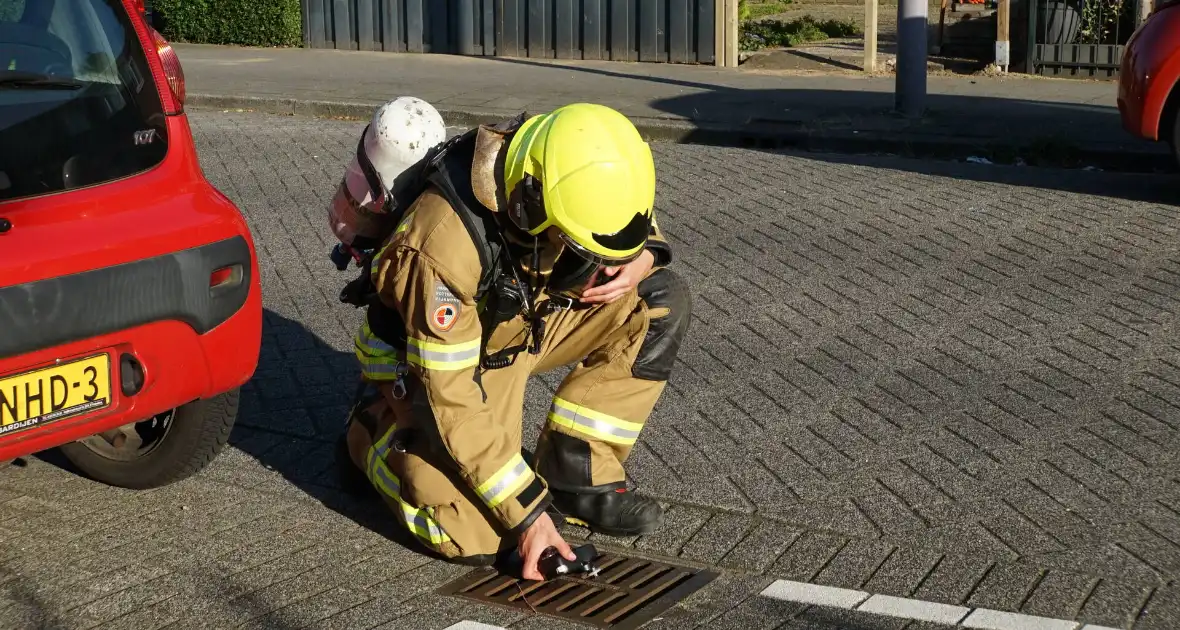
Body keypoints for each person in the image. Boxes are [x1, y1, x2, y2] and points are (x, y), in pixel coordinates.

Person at [337, 102, 691, 580]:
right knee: (470, 534)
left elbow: (615, 209)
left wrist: (644, 254)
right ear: (530, 201)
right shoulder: (441, 247)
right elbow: (452, 402)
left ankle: (577, 475)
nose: (592, 263)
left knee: (657, 299)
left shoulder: (553, 157)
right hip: (437, 369)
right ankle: (368, 436)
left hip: (518, 329)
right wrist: (528, 515)